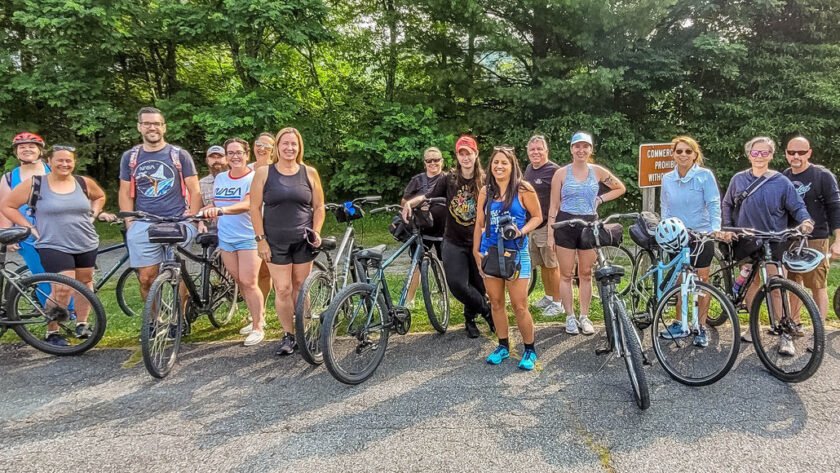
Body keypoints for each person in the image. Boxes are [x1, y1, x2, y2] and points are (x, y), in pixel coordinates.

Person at [0, 146, 106, 346]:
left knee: (85, 283)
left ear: (74, 162)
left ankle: (82, 324)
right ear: (49, 161)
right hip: (52, 243)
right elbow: (7, 205)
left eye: (69, 160)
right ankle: (52, 331)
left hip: (85, 241)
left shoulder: (83, 182)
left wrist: (93, 214)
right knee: (62, 287)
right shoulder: (36, 184)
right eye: (60, 160)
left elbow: (99, 196)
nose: (65, 164)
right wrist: (29, 227)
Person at [721, 136, 814, 353]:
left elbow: (797, 206)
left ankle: (784, 333)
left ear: (771, 155)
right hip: (746, 239)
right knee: (751, 283)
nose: (760, 156)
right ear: (749, 155)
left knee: (776, 285)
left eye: (764, 153)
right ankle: (753, 327)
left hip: (774, 240)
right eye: (755, 153)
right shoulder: (738, 179)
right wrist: (727, 228)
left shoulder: (781, 181)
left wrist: (806, 221)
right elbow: (727, 204)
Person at [403, 135, 493, 339]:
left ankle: (470, 320)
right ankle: (487, 311)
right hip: (453, 240)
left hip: (479, 240)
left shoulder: (485, 180)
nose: (465, 158)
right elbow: (426, 196)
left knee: (478, 285)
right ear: (457, 156)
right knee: (458, 284)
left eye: (469, 153)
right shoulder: (449, 179)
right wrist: (409, 203)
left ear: (476, 154)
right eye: (461, 154)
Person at [250, 127, 325, 356]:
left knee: (301, 287)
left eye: (294, 144)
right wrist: (261, 240)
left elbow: (319, 207)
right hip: (275, 241)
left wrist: (316, 231)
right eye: (285, 143)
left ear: (299, 147)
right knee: (283, 289)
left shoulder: (309, 173)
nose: (289, 148)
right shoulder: (264, 173)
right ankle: (289, 335)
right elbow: (254, 208)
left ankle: (306, 331)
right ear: (277, 147)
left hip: (303, 240)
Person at [118, 107, 203, 300]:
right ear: (139, 127)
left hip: (177, 220)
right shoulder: (130, 157)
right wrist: (129, 222)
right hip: (144, 222)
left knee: (179, 274)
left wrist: (192, 218)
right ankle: (154, 317)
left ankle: (180, 316)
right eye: (147, 123)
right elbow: (125, 191)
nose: (152, 127)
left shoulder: (179, 155)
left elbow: (195, 190)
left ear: (164, 127)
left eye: (156, 123)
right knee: (146, 279)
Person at [547, 131, 626, 336]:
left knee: (585, 273)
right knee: (566, 274)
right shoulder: (561, 174)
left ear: (590, 149)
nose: (581, 150)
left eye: (585, 146)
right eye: (577, 146)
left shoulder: (597, 171)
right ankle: (569, 316)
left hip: (589, 224)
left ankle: (584, 315)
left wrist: (600, 199)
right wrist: (550, 234)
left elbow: (620, 188)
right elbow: (553, 205)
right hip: (565, 224)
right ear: (571, 149)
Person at [474, 146, 542, 370]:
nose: (499, 166)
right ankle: (503, 345)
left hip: (516, 253)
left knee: (519, 305)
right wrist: (476, 251)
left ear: (512, 166)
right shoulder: (486, 192)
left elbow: (537, 217)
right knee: (495, 302)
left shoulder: (523, 189)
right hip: (491, 252)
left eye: (504, 162)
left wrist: (521, 231)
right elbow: (479, 224)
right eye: (496, 162)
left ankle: (529, 349)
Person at [658, 136, 722, 346]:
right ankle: (680, 322)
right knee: (680, 281)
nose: (683, 155)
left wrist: (715, 228)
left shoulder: (704, 175)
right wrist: (665, 228)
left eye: (688, 151)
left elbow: (713, 203)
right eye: (679, 151)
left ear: (695, 155)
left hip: (701, 234)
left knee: (702, 280)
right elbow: (665, 206)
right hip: (677, 235)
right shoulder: (667, 178)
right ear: (673, 154)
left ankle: (700, 326)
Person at [202, 138, 265, 346]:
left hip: (248, 237)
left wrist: (222, 210)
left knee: (249, 281)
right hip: (226, 238)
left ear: (247, 155)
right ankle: (256, 317)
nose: (235, 156)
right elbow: (216, 201)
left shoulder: (253, 177)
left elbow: (248, 204)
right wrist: (206, 209)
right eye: (230, 153)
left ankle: (258, 326)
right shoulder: (221, 177)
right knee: (239, 281)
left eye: (239, 152)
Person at [782, 135, 840, 319]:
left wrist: (838, 240)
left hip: (816, 238)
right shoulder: (784, 177)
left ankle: (819, 327)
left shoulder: (822, 175)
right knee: (792, 284)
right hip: (790, 238)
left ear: (809, 153)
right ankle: (795, 323)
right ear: (786, 154)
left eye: (801, 152)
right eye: (792, 152)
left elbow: (835, 208)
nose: (796, 156)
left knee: (817, 285)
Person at [523, 135, 563, 316]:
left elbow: (561, 198)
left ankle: (558, 302)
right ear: (527, 152)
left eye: (539, 149)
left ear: (546, 150)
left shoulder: (554, 171)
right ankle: (548, 296)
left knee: (552, 265)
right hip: (533, 225)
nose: (536, 152)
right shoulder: (529, 169)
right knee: (543, 264)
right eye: (532, 149)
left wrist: (555, 226)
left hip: (549, 225)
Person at [0, 132, 50, 278]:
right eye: (22, 147)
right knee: (41, 276)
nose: (27, 149)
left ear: (40, 151)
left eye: (31, 146)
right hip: (27, 236)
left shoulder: (54, 171)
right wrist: (8, 236)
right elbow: (4, 209)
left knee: (66, 277)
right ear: (16, 153)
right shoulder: (9, 178)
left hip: (57, 232)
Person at [401, 147, 447, 305]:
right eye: (429, 160)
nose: (433, 163)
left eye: (436, 160)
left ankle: (446, 296)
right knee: (417, 263)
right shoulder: (417, 180)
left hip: (445, 230)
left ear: (442, 161)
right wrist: (417, 206)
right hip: (422, 229)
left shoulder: (448, 179)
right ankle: (409, 300)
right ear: (424, 163)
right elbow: (404, 202)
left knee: (449, 263)